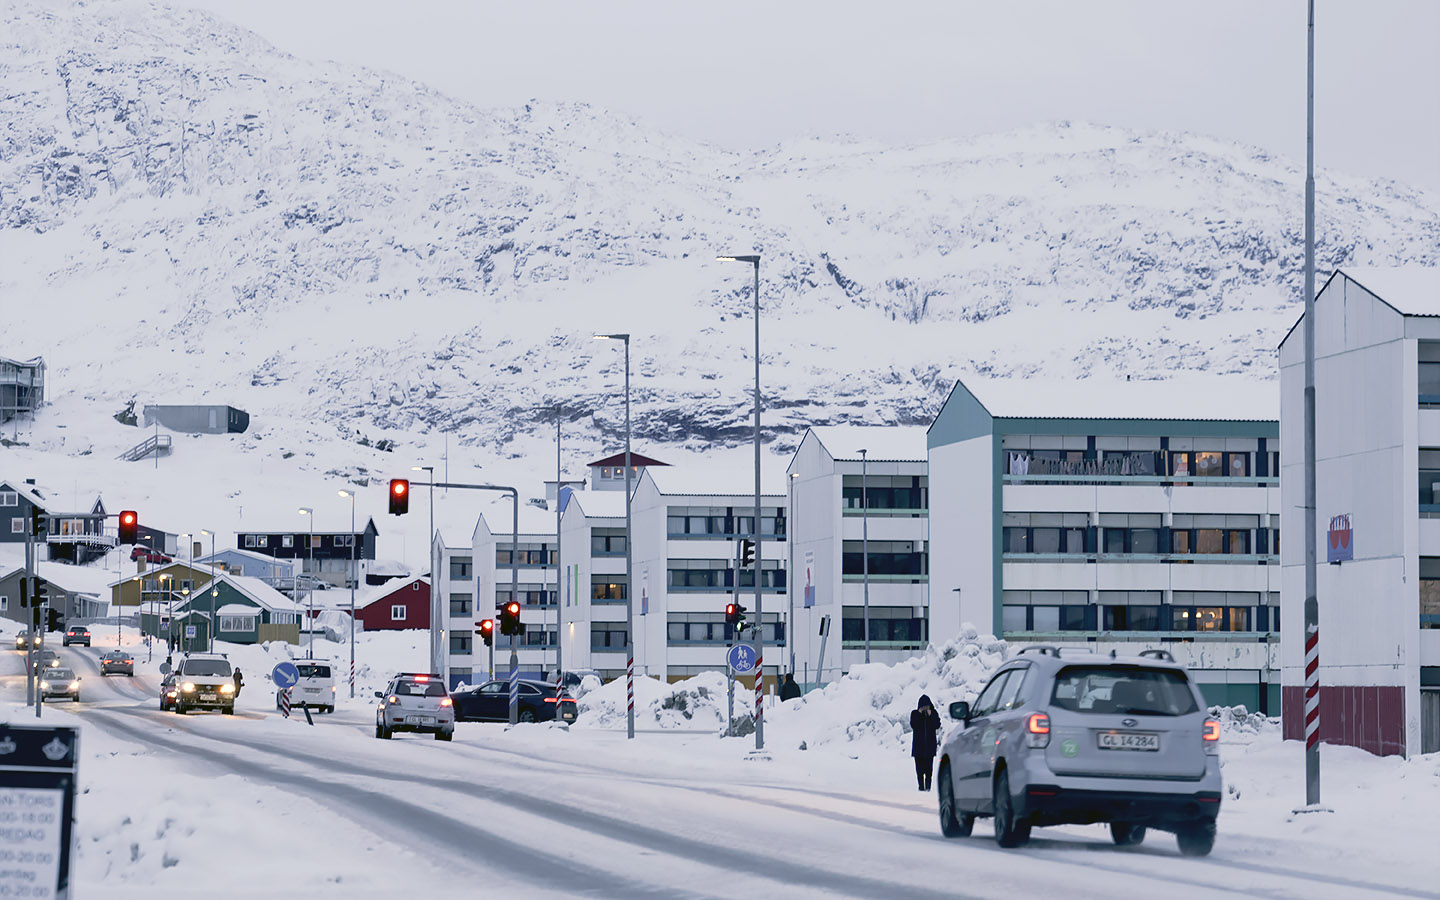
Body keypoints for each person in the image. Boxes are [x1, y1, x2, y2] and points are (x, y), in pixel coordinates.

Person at [910, 694, 941, 791]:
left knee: (929, 770)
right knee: (919, 770)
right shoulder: (914, 714)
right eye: (923, 706)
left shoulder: (933, 713)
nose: (925, 708)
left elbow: (937, 725)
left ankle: (928, 787)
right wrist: (919, 714)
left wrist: (930, 714)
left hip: (929, 748)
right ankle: (921, 787)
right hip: (918, 748)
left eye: (927, 706)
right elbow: (913, 724)